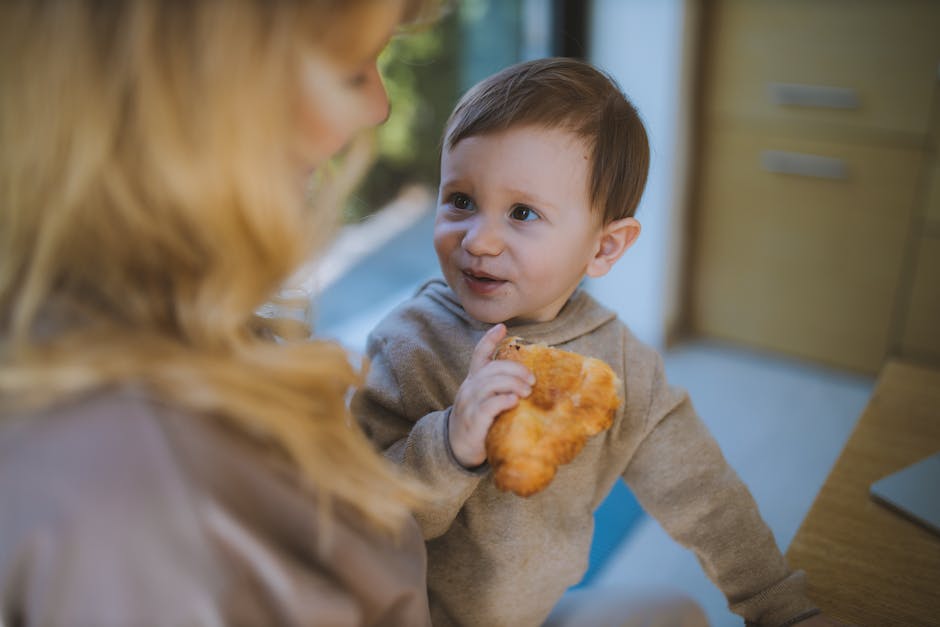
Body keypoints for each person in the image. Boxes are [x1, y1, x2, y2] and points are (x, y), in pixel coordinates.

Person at [353, 57, 848, 627]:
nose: (480, 240)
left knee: (681, 613)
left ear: (605, 248)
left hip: (529, 614)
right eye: (460, 200)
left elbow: (704, 494)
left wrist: (778, 608)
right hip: (407, 616)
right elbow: (364, 525)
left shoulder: (618, 365)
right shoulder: (407, 345)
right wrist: (448, 445)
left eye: (522, 213)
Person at [0, 1, 440, 625]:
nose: (377, 108)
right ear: (188, 92)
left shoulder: (126, 340)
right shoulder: (142, 481)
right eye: (350, 71)